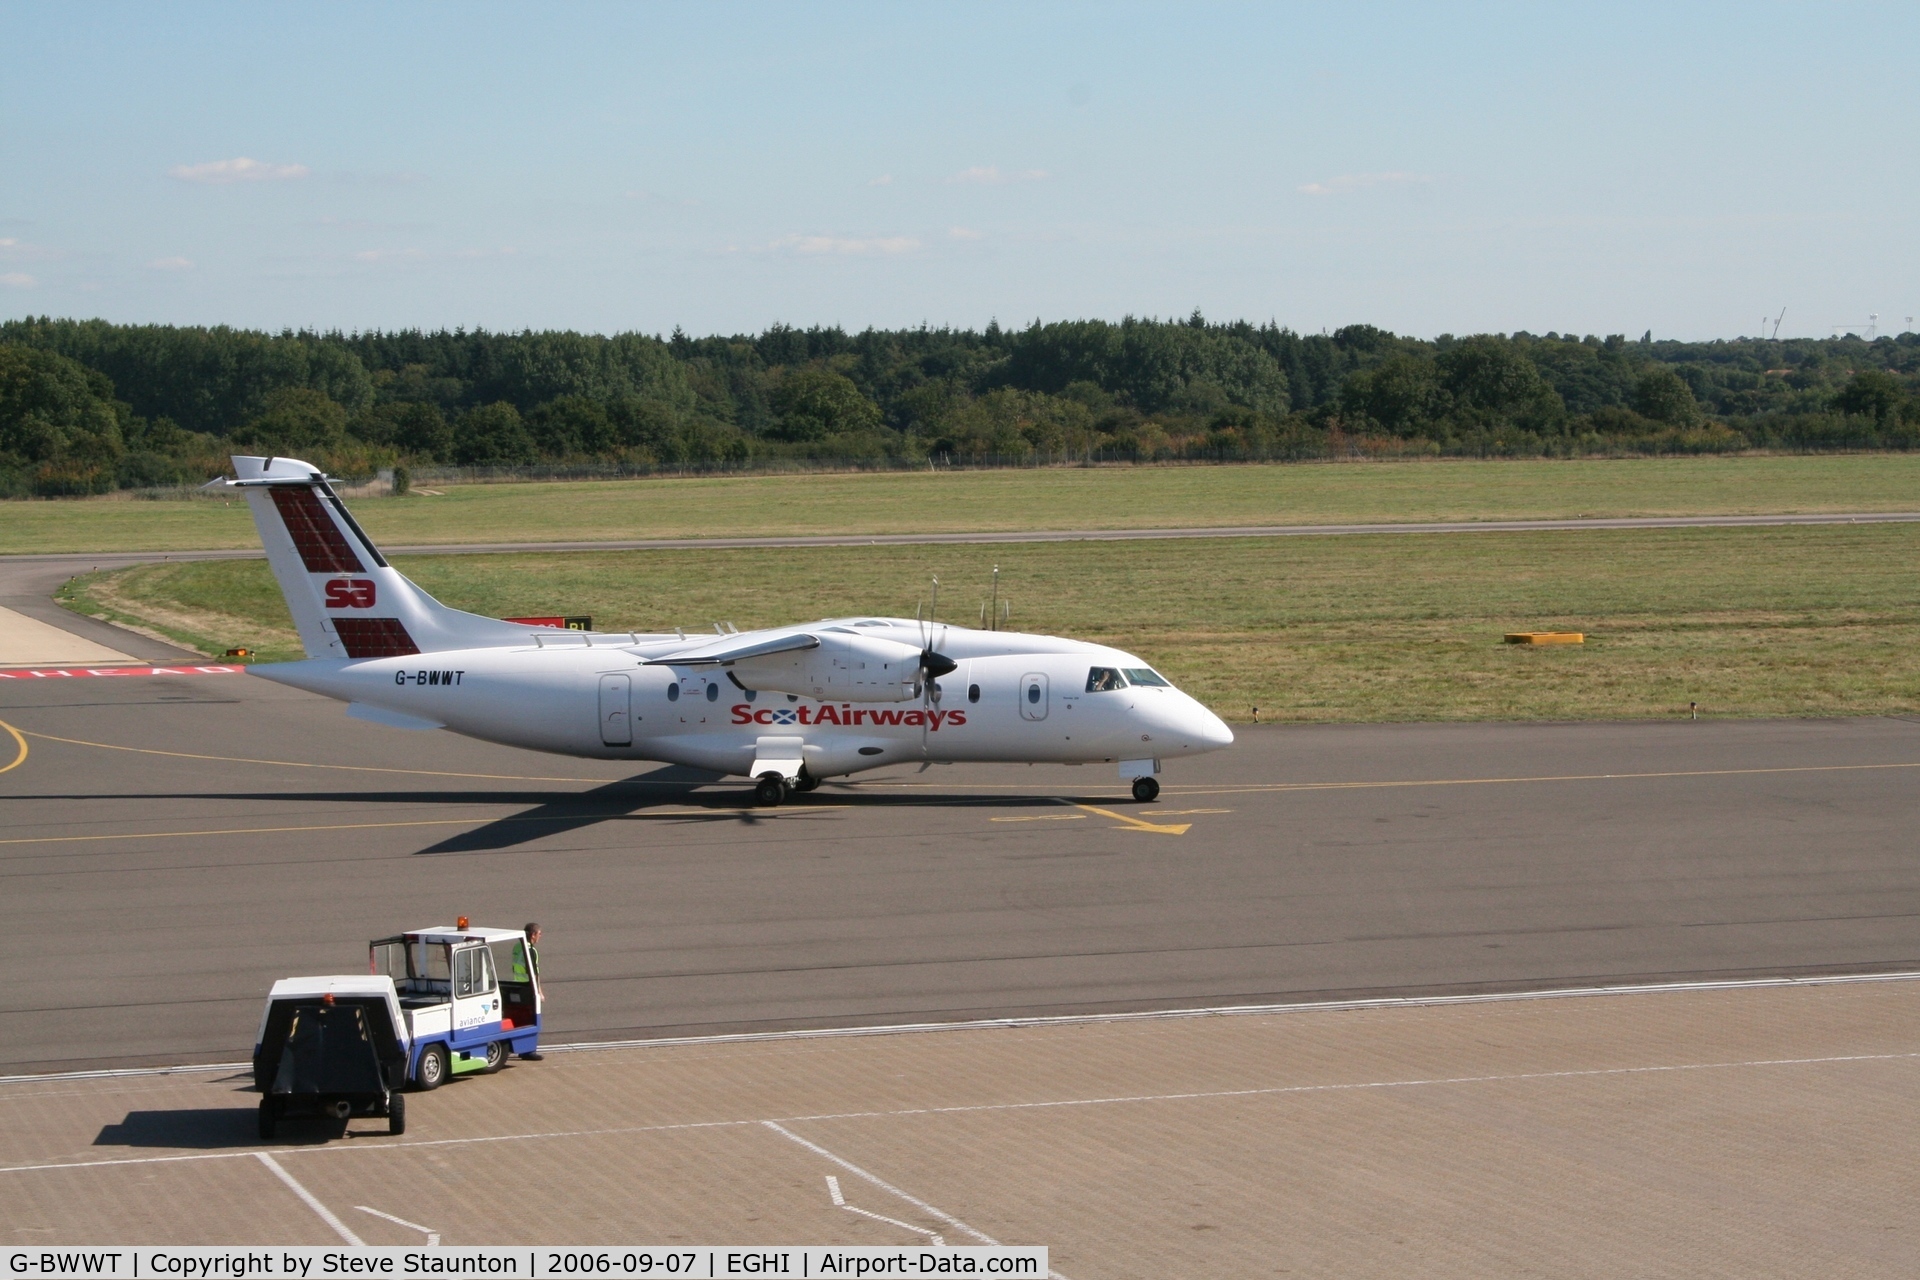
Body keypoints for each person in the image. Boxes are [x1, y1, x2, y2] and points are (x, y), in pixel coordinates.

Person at [520, 923, 544, 1060]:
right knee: (532, 1018)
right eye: (539, 934)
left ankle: (524, 1048)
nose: (540, 937)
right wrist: (539, 992)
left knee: (522, 1019)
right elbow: (535, 973)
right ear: (533, 935)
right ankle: (528, 1051)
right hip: (528, 988)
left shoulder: (518, 946)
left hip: (517, 985)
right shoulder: (531, 951)